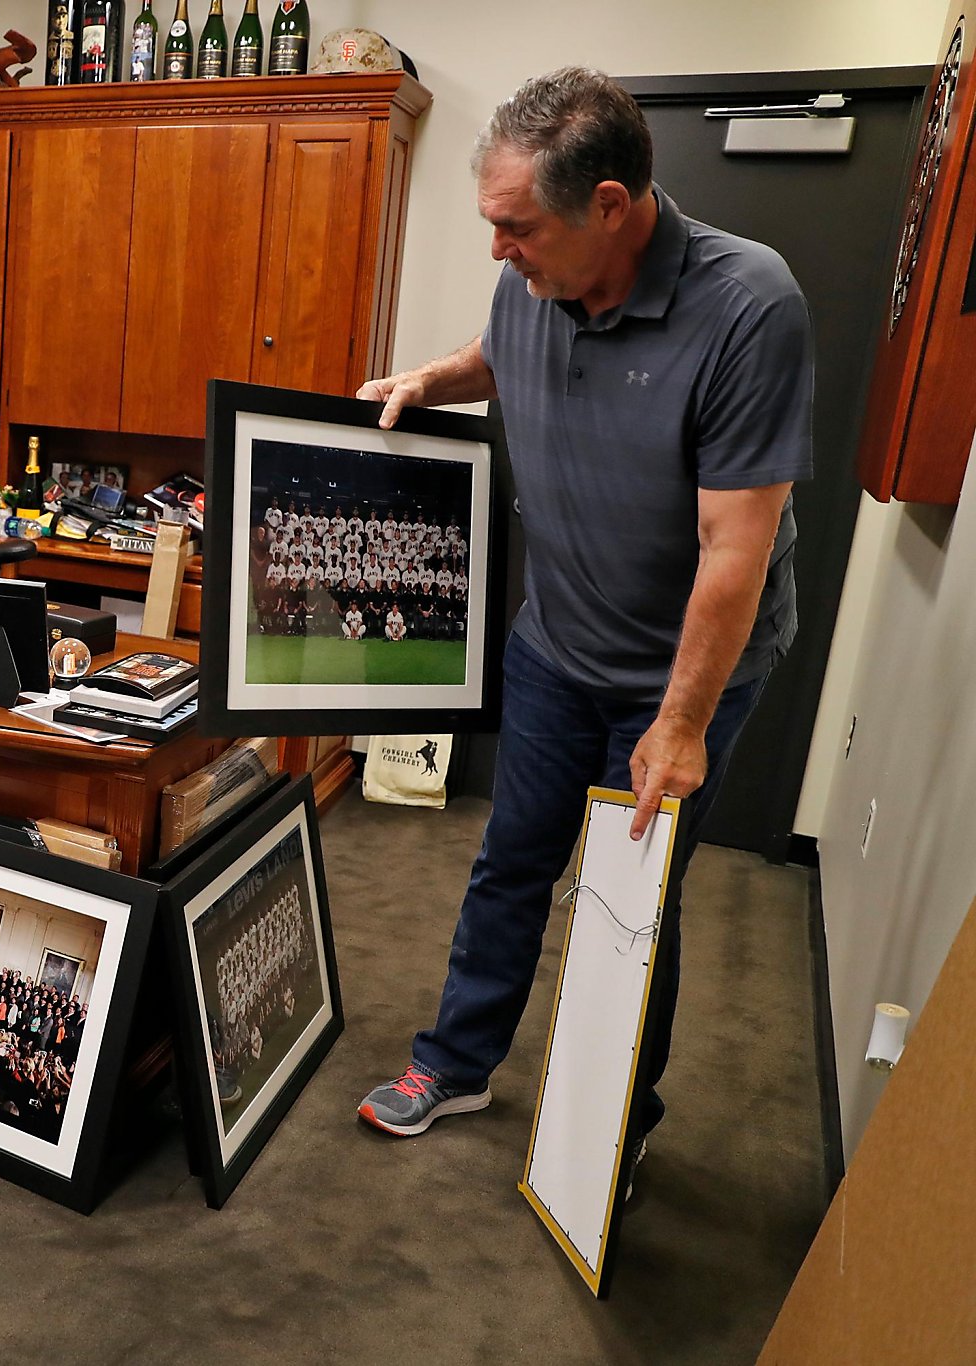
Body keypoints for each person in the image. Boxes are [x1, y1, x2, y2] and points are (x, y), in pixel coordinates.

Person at [353, 69, 811, 1166]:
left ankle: (610, 1129)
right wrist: (432, 377)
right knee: (510, 857)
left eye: (515, 228)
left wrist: (681, 722)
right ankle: (456, 1063)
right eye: (491, 226)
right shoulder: (536, 278)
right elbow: (498, 357)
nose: (497, 252)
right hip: (557, 643)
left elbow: (733, 547)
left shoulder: (748, 308)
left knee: (627, 901)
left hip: (681, 670)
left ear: (608, 205)